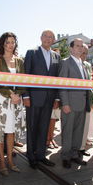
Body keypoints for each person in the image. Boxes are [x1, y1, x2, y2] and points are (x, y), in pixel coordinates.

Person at [0, 32, 26, 176]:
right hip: (2, 100)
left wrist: (18, 94)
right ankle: (1, 162)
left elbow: (23, 81)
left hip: (16, 100)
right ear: (3, 44)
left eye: (13, 42)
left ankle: (10, 160)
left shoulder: (20, 61)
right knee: (0, 131)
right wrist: (10, 94)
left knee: (11, 132)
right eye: (8, 42)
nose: (11, 45)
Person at [23, 30, 60, 169]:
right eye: (45, 36)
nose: (48, 39)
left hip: (49, 99)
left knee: (44, 127)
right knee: (32, 127)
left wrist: (57, 97)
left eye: (51, 37)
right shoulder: (31, 52)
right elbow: (25, 75)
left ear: (54, 40)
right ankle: (31, 156)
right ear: (41, 38)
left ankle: (41, 155)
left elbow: (57, 79)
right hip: (33, 98)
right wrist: (25, 95)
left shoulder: (56, 56)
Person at [58, 38, 91, 168]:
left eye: (81, 46)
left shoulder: (83, 64)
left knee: (78, 132)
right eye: (77, 46)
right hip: (69, 104)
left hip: (82, 104)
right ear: (71, 48)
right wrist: (65, 103)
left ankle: (74, 155)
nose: (80, 48)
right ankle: (65, 156)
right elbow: (62, 84)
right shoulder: (66, 63)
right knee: (68, 131)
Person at [79, 43, 93, 156]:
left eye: (86, 53)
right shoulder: (67, 63)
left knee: (86, 122)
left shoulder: (87, 65)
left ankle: (82, 145)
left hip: (87, 99)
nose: (84, 55)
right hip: (75, 100)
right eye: (82, 53)